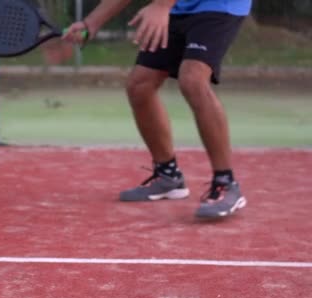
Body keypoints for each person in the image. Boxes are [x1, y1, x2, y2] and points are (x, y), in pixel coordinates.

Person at [63, 0, 251, 218]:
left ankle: (226, 183)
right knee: (140, 85)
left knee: (192, 79)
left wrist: (162, 6)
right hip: (177, 7)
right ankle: (168, 176)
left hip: (218, 6)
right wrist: (91, 22)